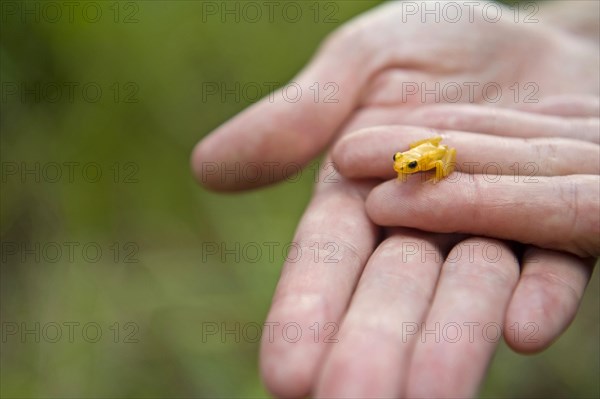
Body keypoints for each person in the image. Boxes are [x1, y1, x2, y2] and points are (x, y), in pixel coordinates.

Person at [191, 1, 599, 397]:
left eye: (405, 167)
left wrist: (438, 171)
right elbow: (409, 161)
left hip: (437, 155)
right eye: (400, 165)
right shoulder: (407, 163)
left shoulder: (428, 161)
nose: (402, 170)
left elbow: (439, 156)